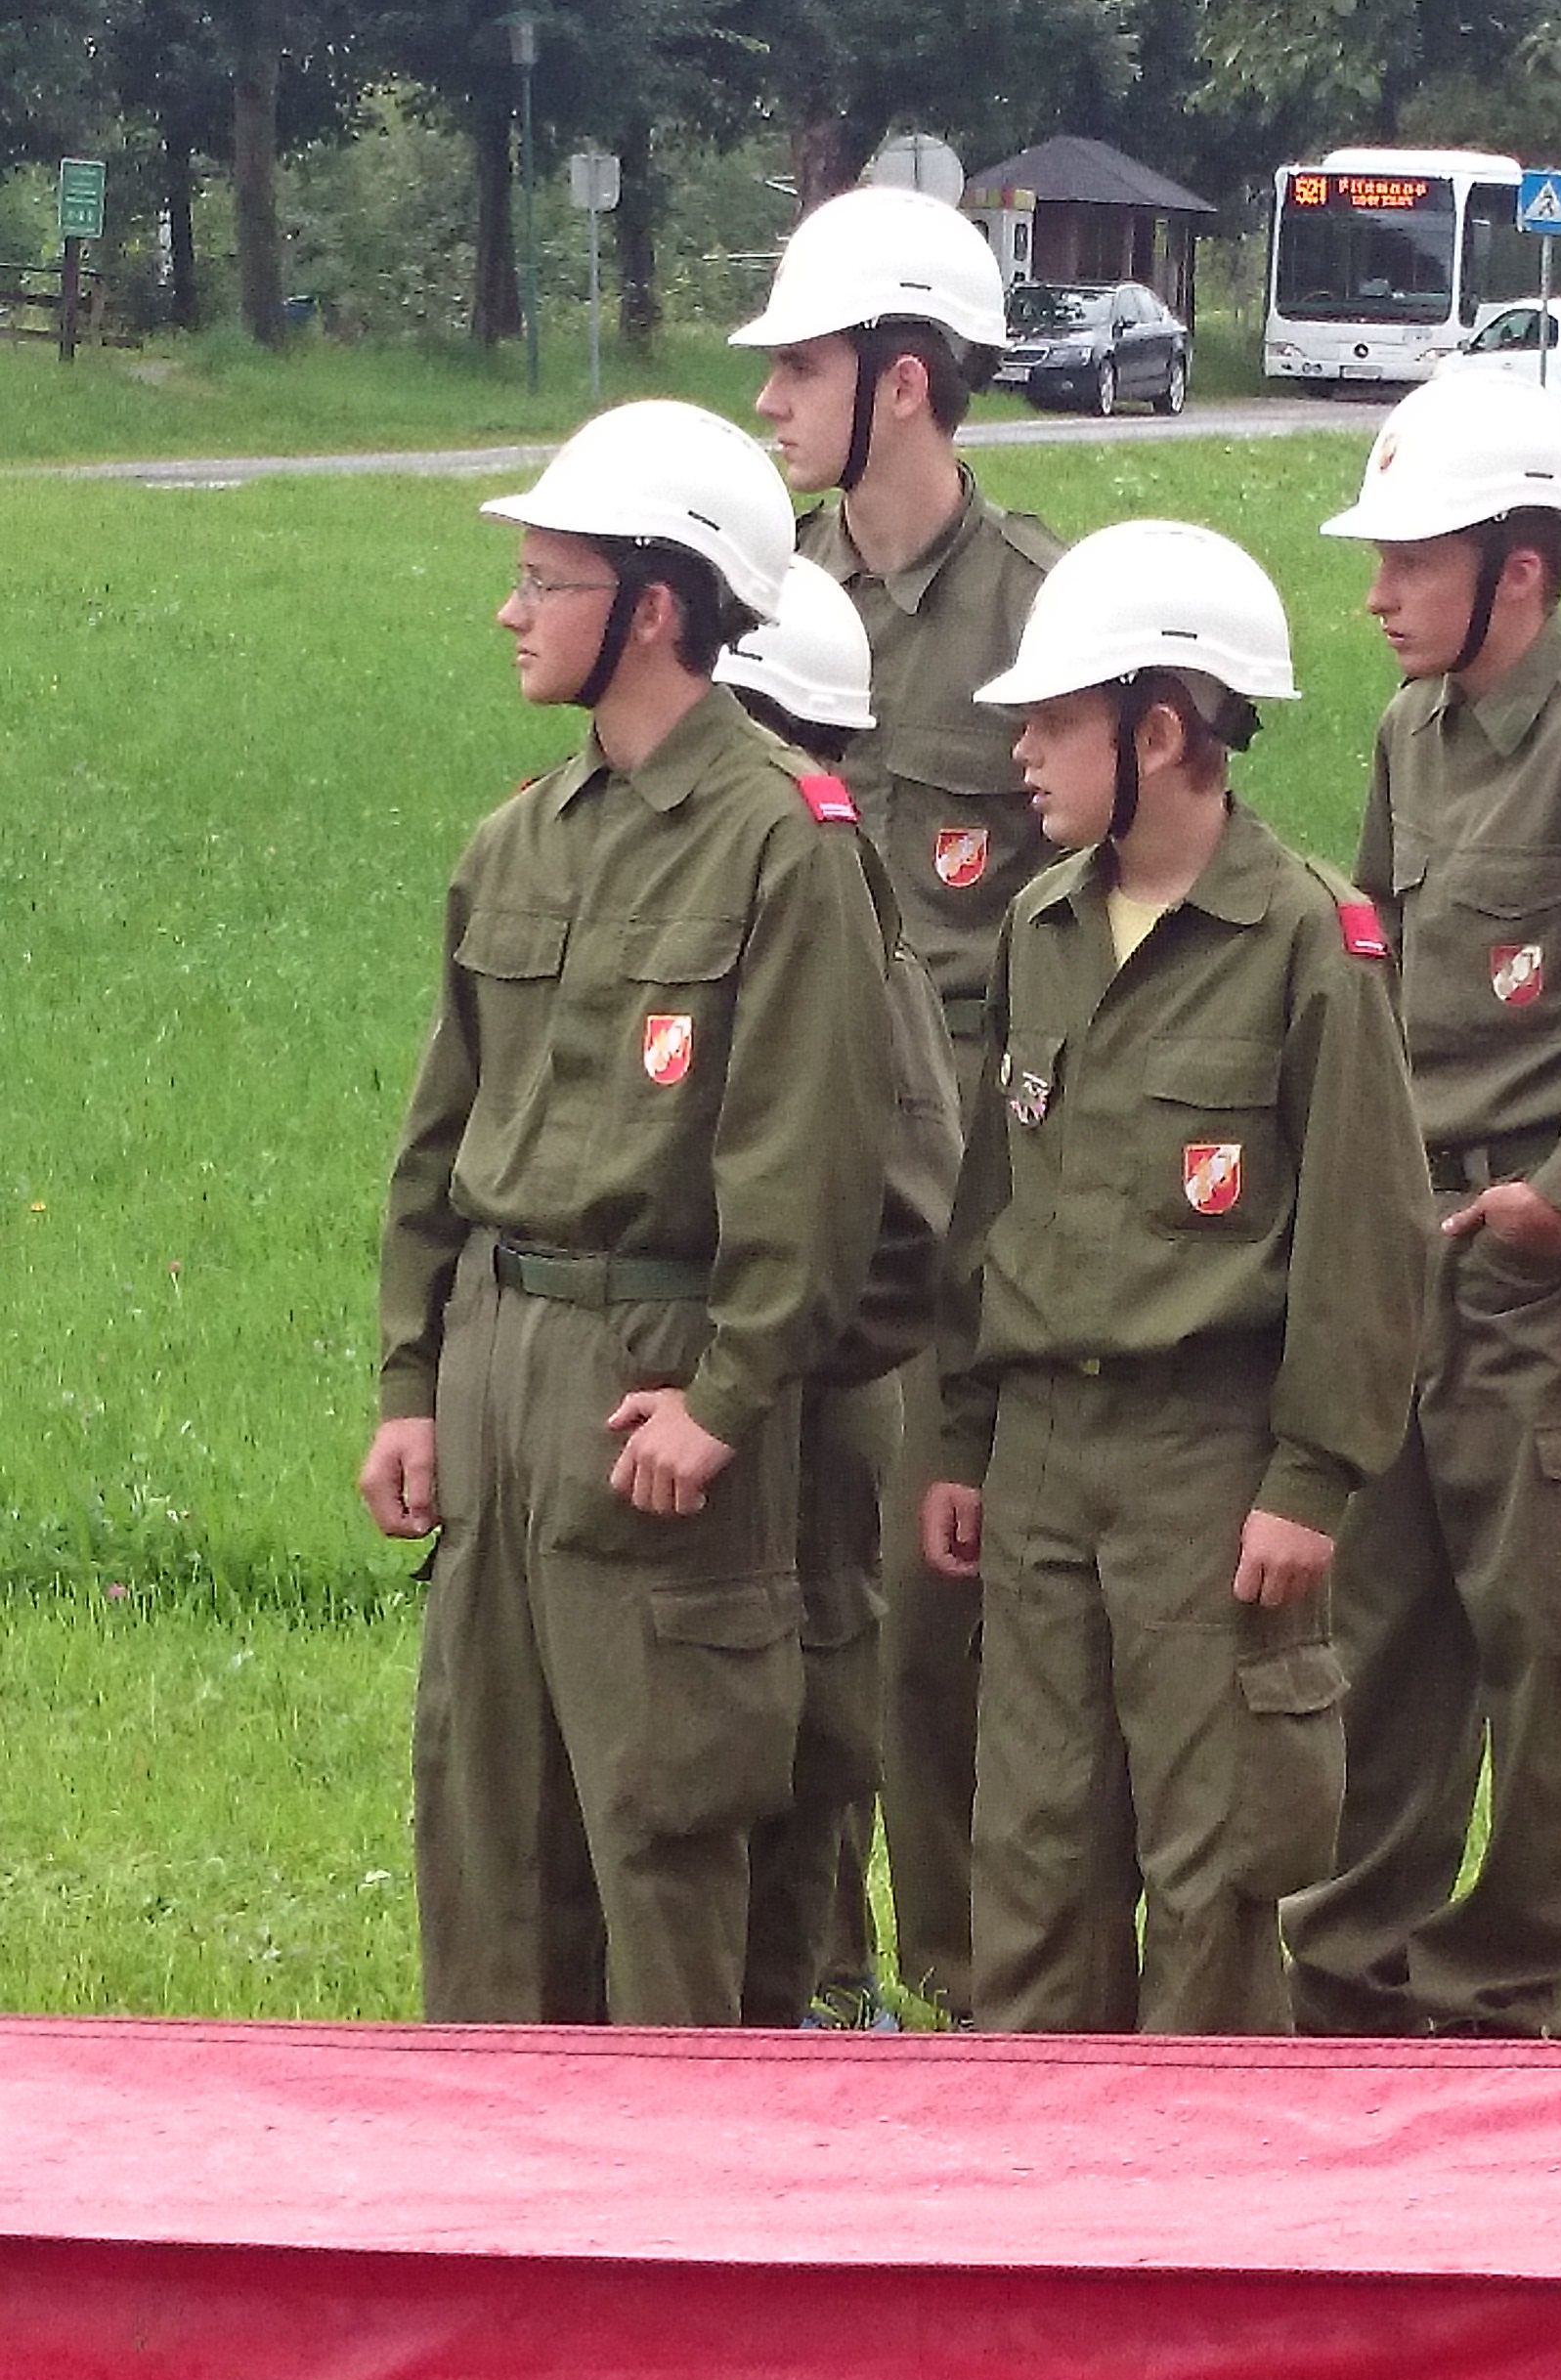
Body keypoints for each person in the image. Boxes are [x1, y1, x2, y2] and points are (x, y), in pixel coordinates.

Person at [358, 403, 893, 2028]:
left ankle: (685, 2174)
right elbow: (439, 1143)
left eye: (547, 581)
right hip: (500, 1372)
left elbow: (813, 1169)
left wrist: (727, 1399)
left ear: (654, 607)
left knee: (667, 1835)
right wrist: (410, 1384)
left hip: (658, 1383)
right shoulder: (518, 840)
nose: (510, 611)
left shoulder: (783, 847)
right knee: (487, 1834)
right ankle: (494, 2169)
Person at [922, 519, 1430, 2034]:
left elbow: (1369, 1240)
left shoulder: (1308, 945)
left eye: (1054, 721)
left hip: (1210, 1460)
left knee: (1213, 1862)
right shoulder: (1040, 925)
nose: (1021, 753)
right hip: (1042, 1453)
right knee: (1033, 1849)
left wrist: (1312, 1480)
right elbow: (989, 1207)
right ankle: (1038, 2164)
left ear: (1160, 732)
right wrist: (959, 1437)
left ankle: (1200, 2172)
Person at [1283, 366, 1561, 2043]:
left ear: (1519, 570)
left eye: (1412, 561)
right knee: (1383, 1608)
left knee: (1555, 1626)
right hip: (1418, 1236)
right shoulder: (1411, 734)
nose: (1379, 595)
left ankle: (1505, 1978)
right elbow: (1378, 976)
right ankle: (1353, 1961)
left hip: (1557, 1256)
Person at [730, 186, 1061, 2022]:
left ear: (907, 381)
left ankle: (956, 1974)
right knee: (782, 1573)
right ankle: (815, 1965)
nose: (772, 402)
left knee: (935, 1611)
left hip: (969, 1193)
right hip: (781, 1169)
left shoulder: (1042, 615)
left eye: (804, 365)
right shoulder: (754, 595)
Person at [713, 563, 964, 2027]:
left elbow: (913, 1217)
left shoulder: (845, 920)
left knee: (812, 1691)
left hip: (809, 1399)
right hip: (724, 1384)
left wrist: (769, 1361)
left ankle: (820, 1986)